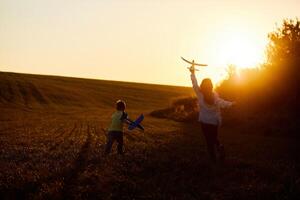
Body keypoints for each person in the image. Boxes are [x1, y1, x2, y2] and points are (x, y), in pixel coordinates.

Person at [189, 66, 235, 163]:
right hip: (214, 122)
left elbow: (194, 84)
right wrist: (232, 104)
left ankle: (213, 159)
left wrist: (193, 72)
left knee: (209, 141)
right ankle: (219, 148)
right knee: (214, 138)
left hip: (204, 122)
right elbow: (222, 103)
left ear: (202, 85)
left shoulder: (199, 93)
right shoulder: (214, 97)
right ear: (211, 86)